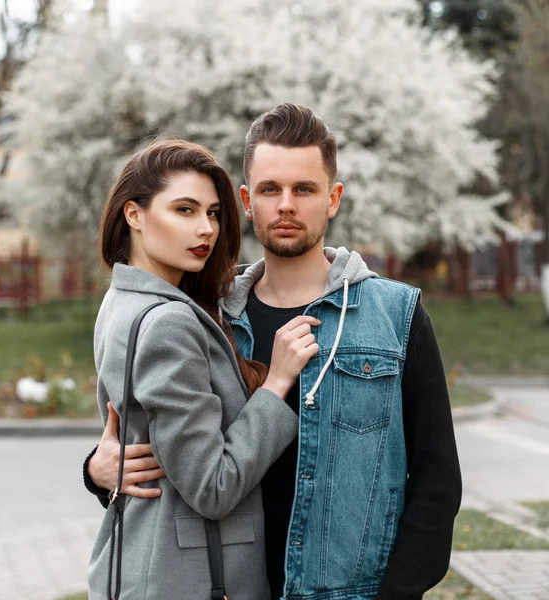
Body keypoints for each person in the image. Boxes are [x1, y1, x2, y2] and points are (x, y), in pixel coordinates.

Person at [85, 105, 462, 600]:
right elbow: (171, 448)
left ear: (333, 199)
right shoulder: (209, 314)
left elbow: (437, 482)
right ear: (246, 201)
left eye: (304, 189)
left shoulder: (395, 314)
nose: (286, 205)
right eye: (269, 190)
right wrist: (97, 469)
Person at [87, 138, 323, 599]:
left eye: (213, 213)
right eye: (185, 210)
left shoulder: (121, 301)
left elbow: (148, 443)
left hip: (142, 562)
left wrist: (98, 470)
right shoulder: (169, 323)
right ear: (133, 215)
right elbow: (213, 487)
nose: (206, 230)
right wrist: (275, 384)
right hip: (185, 579)